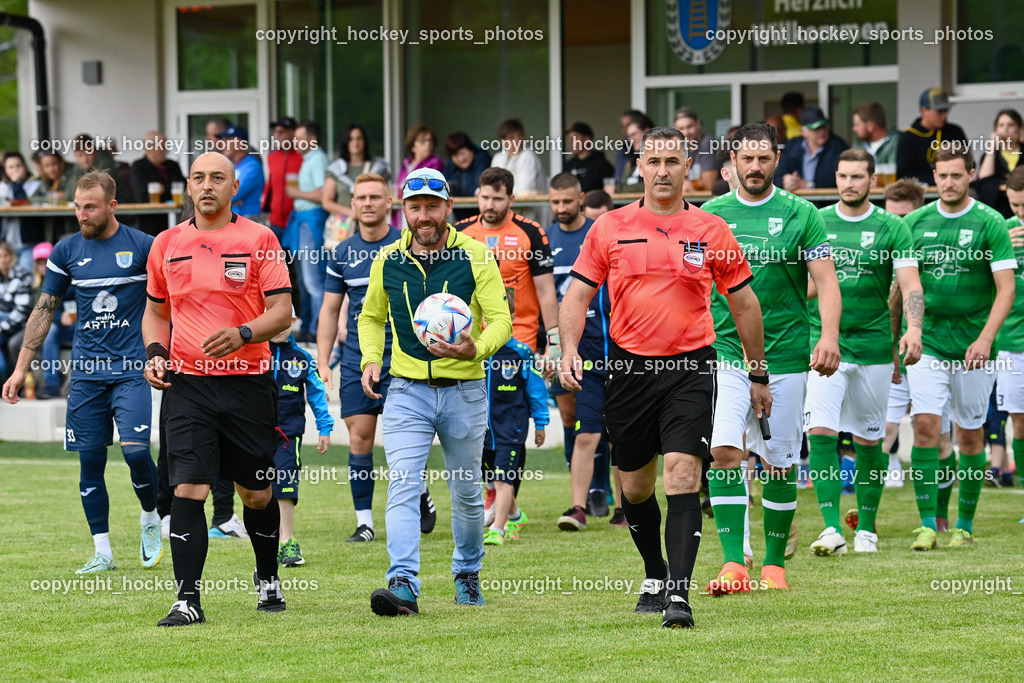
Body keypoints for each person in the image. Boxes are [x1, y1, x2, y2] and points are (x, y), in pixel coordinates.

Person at [560, 126, 767, 629]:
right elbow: (577, 295)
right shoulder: (610, 227)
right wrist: (567, 349)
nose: (663, 171)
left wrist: (757, 371)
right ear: (639, 167)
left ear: (688, 166)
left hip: (690, 367)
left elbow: (744, 303)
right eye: (653, 162)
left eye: (673, 161)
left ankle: (679, 594)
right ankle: (654, 572)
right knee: (635, 486)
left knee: (682, 473)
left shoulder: (712, 230)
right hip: (628, 370)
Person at [142, 152, 293, 626]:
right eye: (199, 178)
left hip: (248, 385)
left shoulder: (260, 240)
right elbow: (157, 312)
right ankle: (187, 600)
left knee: (257, 495)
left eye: (218, 178)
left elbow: (282, 313)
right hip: (188, 385)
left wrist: (244, 333)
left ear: (234, 188)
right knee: (189, 487)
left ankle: (267, 578)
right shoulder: (166, 243)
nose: (207, 185)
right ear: (188, 187)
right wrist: (155, 352)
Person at [361, 167, 512, 617]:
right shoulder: (387, 260)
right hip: (406, 391)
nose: (423, 215)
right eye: (415, 207)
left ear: (448, 207)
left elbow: (501, 320)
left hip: (465, 391)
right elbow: (371, 317)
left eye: (432, 206)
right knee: (403, 485)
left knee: (465, 493)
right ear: (402, 210)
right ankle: (403, 583)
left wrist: (476, 348)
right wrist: (371, 359)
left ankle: (467, 572)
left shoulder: (477, 256)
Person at [703, 122, 841, 594]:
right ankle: (733, 563)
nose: (756, 166)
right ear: (733, 162)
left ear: (777, 159)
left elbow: (826, 281)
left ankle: (774, 566)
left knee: (779, 462)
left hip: (786, 355)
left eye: (764, 158)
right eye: (747, 158)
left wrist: (828, 336)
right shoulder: (710, 216)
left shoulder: (803, 214)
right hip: (726, 352)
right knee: (724, 450)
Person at [2, 171, 162, 574]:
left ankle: (151, 514)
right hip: (87, 375)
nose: (82, 214)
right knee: (90, 464)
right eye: (77, 206)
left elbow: (168, 303)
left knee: (136, 454)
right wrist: (21, 370)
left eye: (90, 207)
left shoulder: (144, 246)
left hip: (131, 369)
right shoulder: (66, 250)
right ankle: (102, 552)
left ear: (112, 206)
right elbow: (44, 310)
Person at [803, 149, 924, 556]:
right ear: (835, 178)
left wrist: (913, 328)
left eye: (857, 176)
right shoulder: (816, 220)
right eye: (843, 176)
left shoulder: (892, 226)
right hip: (824, 344)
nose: (849, 183)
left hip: (874, 348)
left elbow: (909, 284)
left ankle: (867, 530)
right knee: (820, 431)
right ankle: (831, 528)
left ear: (872, 180)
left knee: (869, 440)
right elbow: (804, 284)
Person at [903, 147, 1015, 551]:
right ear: (933, 177)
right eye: (942, 176)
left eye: (956, 175)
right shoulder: (914, 223)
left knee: (969, 435)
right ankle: (927, 525)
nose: (948, 183)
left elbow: (1006, 289)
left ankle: (963, 525)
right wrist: (912, 330)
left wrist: (985, 339)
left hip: (973, 348)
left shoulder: (990, 222)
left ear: (971, 174)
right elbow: (907, 284)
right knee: (926, 426)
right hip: (929, 343)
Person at [317, 173, 404, 543]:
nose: (368, 203)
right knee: (360, 437)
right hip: (356, 358)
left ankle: (417, 495)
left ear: (389, 203)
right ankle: (365, 523)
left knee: (404, 442)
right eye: (361, 198)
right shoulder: (342, 252)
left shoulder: (407, 245)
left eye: (375, 197)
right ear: (352, 205)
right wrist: (324, 361)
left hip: (403, 359)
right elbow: (328, 310)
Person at [543, 173, 617, 530]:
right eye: (554, 202)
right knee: (577, 423)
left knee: (619, 434)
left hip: (618, 352)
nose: (560, 208)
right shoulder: (545, 239)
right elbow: (544, 294)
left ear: (580, 198)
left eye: (566, 201)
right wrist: (552, 343)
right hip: (572, 350)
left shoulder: (600, 233)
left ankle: (614, 499)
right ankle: (580, 503)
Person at [455, 168, 558, 360]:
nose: (489, 205)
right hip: (471, 339)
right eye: (485, 197)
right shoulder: (460, 232)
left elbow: (546, 291)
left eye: (497, 199)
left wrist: (554, 341)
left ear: (511, 200)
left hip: (519, 338)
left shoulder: (531, 232)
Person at [880, 179, 938, 491]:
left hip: (934, 349)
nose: (897, 224)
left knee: (932, 427)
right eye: (892, 216)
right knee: (884, 425)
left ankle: (936, 503)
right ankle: (884, 469)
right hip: (891, 349)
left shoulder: (932, 250)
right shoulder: (880, 250)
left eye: (903, 218)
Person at [268, 319, 333, 567]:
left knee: (285, 484)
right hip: (255, 435)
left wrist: (324, 427)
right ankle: (266, 541)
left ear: (293, 321)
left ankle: (287, 541)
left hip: (288, 436)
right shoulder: (252, 352)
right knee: (259, 488)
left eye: (282, 320)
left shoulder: (303, 358)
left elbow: (317, 392)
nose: (277, 327)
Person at [481, 336, 548, 546]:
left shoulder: (521, 352)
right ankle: (517, 517)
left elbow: (535, 388)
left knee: (503, 480)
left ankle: (497, 529)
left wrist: (540, 422)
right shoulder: (478, 348)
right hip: (482, 431)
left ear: (512, 320)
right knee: (492, 477)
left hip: (511, 429)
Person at [284, 121, 330, 340]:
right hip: (302, 222)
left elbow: (322, 194)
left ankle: (318, 330)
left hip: (312, 221)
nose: (295, 142)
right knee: (303, 280)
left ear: (313, 140)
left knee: (313, 280)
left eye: (300, 138)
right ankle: (308, 327)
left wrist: (296, 193)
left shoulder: (318, 159)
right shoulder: (309, 159)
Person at [998, 166, 1024, 516]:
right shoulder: (1002, 230)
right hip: (1011, 343)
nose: (1020, 213)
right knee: (1019, 422)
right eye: (1015, 205)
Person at [323, 124, 391, 245]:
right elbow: (327, 202)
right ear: (345, 142)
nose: (355, 142)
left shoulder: (378, 167)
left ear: (365, 141)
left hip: (373, 228)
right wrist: (351, 213)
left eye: (359, 138)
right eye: (351, 139)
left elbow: (386, 198)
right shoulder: (336, 169)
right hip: (343, 230)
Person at [897, 88, 969, 185]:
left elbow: (969, 163)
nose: (945, 116)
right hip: (922, 191)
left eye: (946, 110)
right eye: (940, 111)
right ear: (924, 110)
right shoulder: (909, 137)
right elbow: (904, 174)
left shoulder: (955, 132)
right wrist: (936, 181)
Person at [775, 105, 849, 191]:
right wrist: (784, 181)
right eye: (816, 129)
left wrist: (809, 185)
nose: (822, 132)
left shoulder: (838, 146)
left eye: (824, 127)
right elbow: (775, 177)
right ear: (803, 131)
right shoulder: (792, 146)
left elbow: (841, 179)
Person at [130, 131, 187, 236]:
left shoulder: (172, 165)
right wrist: (169, 191)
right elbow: (143, 196)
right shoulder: (138, 166)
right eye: (163, 147)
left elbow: (184, 188)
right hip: (151, 224)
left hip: (176, 221)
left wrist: (163, 190)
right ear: (149, 147)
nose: (167, 150)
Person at [261, 116, 303, 245]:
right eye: (276, 132)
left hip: (296, 220)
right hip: (275, 221)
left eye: (281, 132)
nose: (277, 135)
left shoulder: (302, 156)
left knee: (296, 257)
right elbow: (270, 184)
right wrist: (265, 208)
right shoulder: (272, 156)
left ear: (293, 134)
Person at [2, 151, 46, 271]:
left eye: (18, 165)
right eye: (11, 167)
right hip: (7, 244)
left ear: (25, 166)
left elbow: (22, 202)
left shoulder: (35, 184)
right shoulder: (3, 187)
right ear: (5, 170)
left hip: (28, 243)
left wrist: (16, 183)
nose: (15, 170)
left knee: (26, 277)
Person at [976, 109, 1022, 216]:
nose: (1005, 129)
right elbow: (984, 177)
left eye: (1011, 125)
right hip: (997, 207)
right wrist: (992, 146)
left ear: (1019, 129)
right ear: (995, 129)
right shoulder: (990, 155)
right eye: (1001, 125)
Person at [0, 240, 33, 381]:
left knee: (13, 343)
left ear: (13, 256)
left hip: (19, 325)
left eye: (6, 255)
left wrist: (1, 328)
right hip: (3, 323)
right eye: (0, 256)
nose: (3, 260)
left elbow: (22, 311)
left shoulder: (23, 275)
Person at [217, 125, 265, 218]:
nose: (223, 144)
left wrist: (230, 199)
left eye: (228, 140)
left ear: (240, 144)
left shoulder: (252, 166)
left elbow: (233, 194)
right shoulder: (232, 164)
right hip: (236, 218)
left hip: (250, 219)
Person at [490, 118, 546, 196]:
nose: (518, 140)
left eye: (520, 136)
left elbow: (524, 190)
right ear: (503, 141)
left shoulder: (528, 156)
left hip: (529, 203)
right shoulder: (498, 158)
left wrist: (497, 191)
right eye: (512, 137)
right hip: (506, 201)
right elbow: (491, 183)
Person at [442, 131, 491, 221]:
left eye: (462, 153)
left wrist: (455, 191)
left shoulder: (482, 159)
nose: (461, 159)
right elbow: (444, 188)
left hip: (481, 217)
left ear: (470, 149)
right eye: (456, 155)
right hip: (459, 218)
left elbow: (478, 187)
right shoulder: (450, 165)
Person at [673, 107, 721, 192]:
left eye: (689, 127)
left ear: (698, 124)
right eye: (681, 129)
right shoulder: (679, 147)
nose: (686, 132)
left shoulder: (708, 143)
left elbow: (708, 185)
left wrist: (683, 183)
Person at [562, 122, 615, 193]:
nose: (570, 142)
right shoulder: (568, 165)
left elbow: (609, 192)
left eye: (574, 138)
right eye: (569, 139)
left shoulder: (602, 166)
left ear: (587, 139)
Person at [395, 124, 444, 197]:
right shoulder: (406, 163)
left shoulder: (435, 163)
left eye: (430, 140)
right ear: (412, 146)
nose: (428, 144)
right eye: (422, 141)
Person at [852, 102, 899, 171]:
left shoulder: (897, 141)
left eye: (857, 125)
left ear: (870, 126)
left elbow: (894, 171)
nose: (854, 129)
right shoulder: (858, 144)